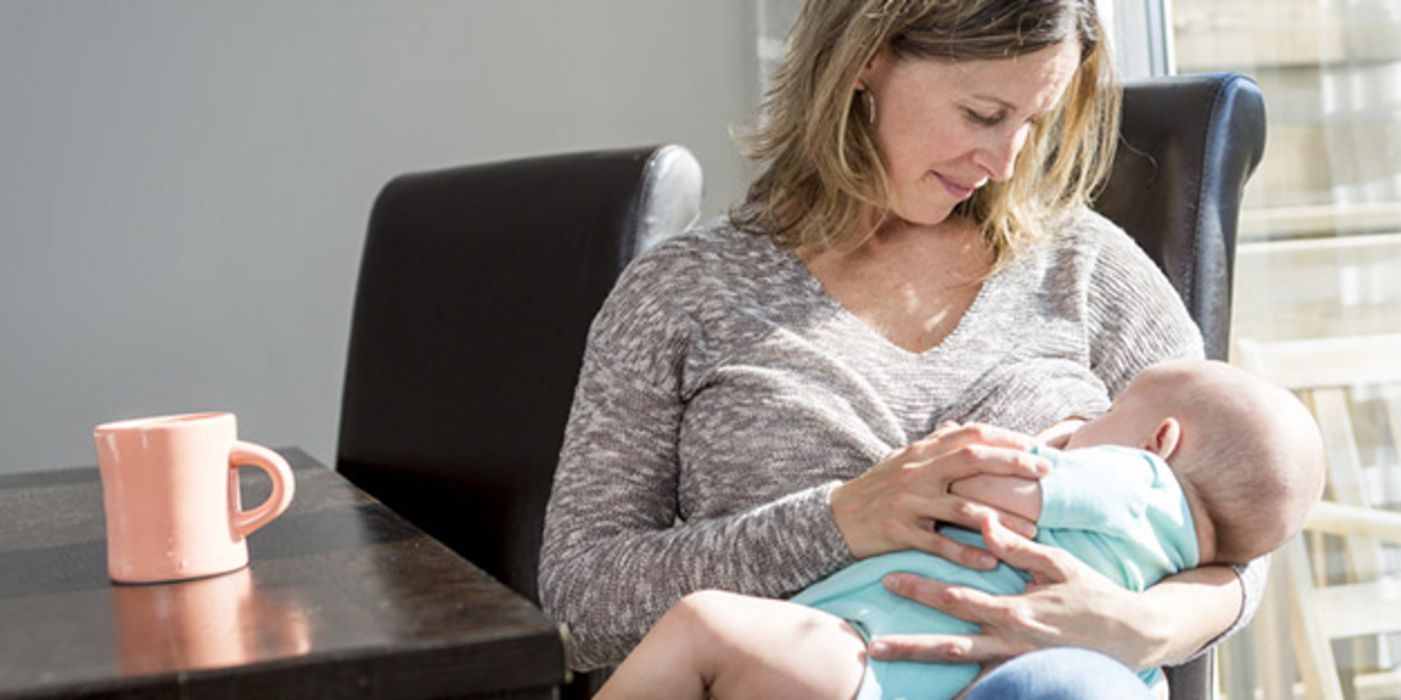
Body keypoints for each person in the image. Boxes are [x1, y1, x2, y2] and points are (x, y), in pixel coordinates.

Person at [539, 1, 1275, 696]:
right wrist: (836, 522)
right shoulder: (679, 295)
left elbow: (1241, 517)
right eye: (982, 114)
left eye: (1032, 122)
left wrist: (1145, 625)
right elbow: (579, 601)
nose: (1006, 158)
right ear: (865, 56)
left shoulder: (1083, 264)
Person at [591, 359, 1327, 700]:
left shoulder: (1134, 484)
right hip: (928, 679)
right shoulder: (1162, 542)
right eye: (981, 112)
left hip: (869, 660)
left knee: (702, 626)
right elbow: (1249, 537)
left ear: (1160, 439)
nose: (1087, 422)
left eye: (1108, 408)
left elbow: (972, 477)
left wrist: (1028, 443)